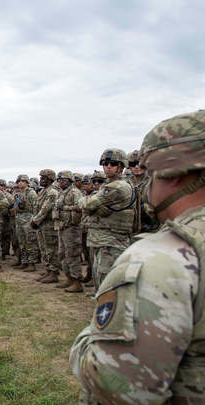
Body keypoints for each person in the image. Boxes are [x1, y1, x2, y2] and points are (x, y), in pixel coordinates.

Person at [70, 109, 205, 404]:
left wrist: (85, 341)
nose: (141, 179)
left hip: (110, 242)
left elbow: (116, 383)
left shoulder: (163, 260)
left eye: (148, 171)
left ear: (174, 175)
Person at [78, 148, 135, 289]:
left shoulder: (118, 187)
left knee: (107, 282)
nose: (108, 166)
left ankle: (109, 310)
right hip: (102, 239)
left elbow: (87, 204)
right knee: (100, 279)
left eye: (113, 163)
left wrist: (87, 202)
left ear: (121, 166)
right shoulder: (108, 185)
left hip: (112, 240)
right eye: (105, 163)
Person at [53, 171, 84, 292]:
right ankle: (69, 278)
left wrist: (65, 208)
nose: (61, 181)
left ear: (70, 180)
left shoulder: (75, 192)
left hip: (72, 227)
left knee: (72, 254)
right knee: (62, 254)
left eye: (64, 180)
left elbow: (80, 206)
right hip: (62, 226)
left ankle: (77, 282)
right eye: (59, 180)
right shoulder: (62, 192)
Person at [31, 169, 61, 283]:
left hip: (48, 225)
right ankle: (48, 270)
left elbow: (45, 209)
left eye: (43, 178)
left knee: (51, 249)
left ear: (49, 179)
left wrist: (35, 221)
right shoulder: (44, 191)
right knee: (44, 249)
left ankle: (53, 273)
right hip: (41, 225)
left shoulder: (52, 192)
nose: (40, 180)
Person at [13, 174, 39, 272]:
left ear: (27, 182)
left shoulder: (31, 193)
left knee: (30, 242)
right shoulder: (17, 194)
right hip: (19, 219)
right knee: (22, 242)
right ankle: (24, 261)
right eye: (19, 181)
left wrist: (34, 220)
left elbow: (35, 208)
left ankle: (32, 263)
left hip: (29, 219)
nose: (20, 183)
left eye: (22, 181)